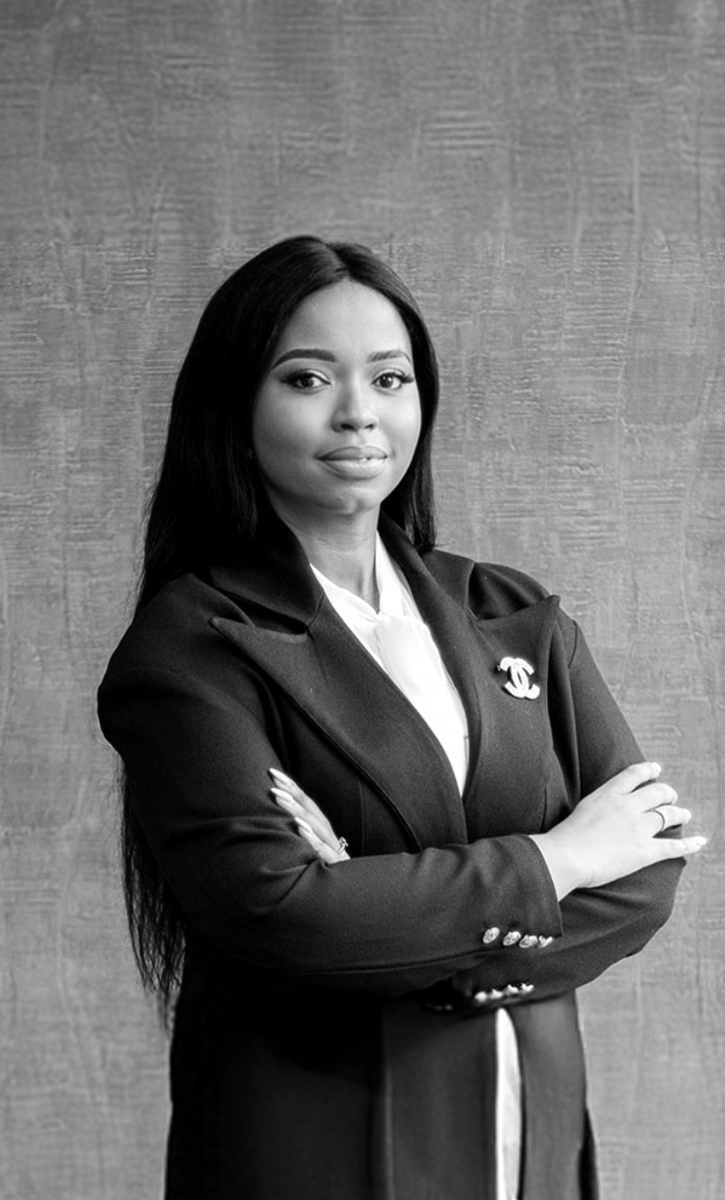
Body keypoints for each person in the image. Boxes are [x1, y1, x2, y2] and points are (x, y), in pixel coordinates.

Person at [97, 235, 705, 1200]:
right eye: (307, 379)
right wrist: (560, 859)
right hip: (317, 1137)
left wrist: (389, 917)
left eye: (390, 379)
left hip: (530, 1125)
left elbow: (649, 873)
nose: (359, 412)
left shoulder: (514, 612)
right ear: (233, 406)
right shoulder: (193, 647)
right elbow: (287, 916)